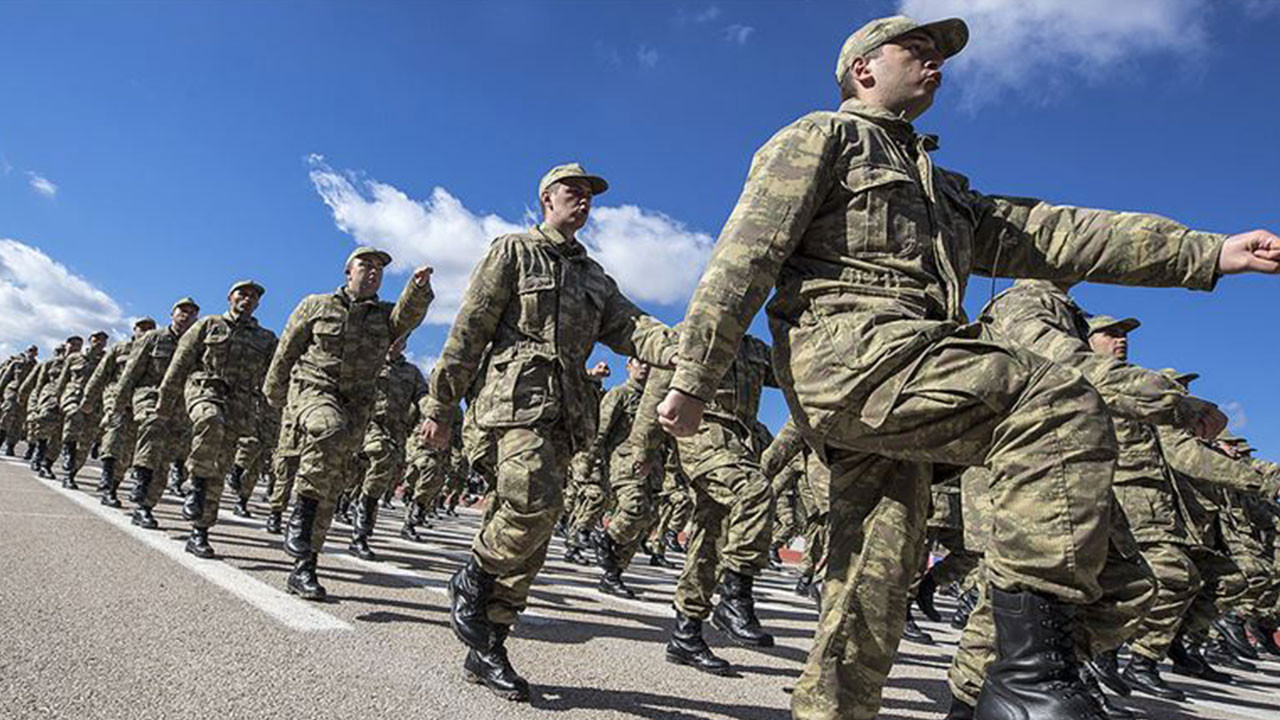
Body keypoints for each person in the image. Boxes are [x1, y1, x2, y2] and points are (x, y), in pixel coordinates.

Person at [651, 14, 1280, 720]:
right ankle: (1024, 681)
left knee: (876, 590)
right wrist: (693, 377)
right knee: (1056, 399)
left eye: (938, 57)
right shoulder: (823, 138)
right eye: (916, 51)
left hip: (913, 371)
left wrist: (1210, 252)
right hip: (853, 355)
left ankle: (919, 703)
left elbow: (1056, 231)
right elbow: (744, 256)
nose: (936, 66)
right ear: (863, 69)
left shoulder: (945, 191)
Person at [419, 163, 675, 701]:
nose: (583, 202)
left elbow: (632, 326)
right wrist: (440, 405)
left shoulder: (595, 278)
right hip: (512, 404)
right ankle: (473, 574)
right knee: (535, 497)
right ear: (546, 199)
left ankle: (488, 644)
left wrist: (678, 345)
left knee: (534, 533)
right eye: (572, 193)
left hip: (565, 414)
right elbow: (470, 329)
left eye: (589, 196)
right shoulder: (512, 252)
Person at [263, 247, 432, 599]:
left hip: (356, 405)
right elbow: (287, 350)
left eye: (379, 269)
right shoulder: (316, 305)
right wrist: (275, 395)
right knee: (329, 429)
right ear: (347, 270)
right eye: (365, 265)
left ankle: (305, 566)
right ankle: (298, 512)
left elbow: (408, 317)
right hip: (314, 387)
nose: (372, 272)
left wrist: (416, 287)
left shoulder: (385, 316)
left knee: (333, 482)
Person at [158, 281, 278, 558]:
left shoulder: (266, 338)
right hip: (205, 388)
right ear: (230, 297)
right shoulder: (209, 324)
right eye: (242, 294)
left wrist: (270, 417)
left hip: (240, 405)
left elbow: (274, 377)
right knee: (210, 420)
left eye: (253, 296)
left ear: (258, 304)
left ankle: (199, 531)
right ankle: (195, 486)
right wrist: (165, 403)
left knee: (220, 466)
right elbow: (181, 362)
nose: (247, 299)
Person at [118, 298, 201, 529]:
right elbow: (131, 371)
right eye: (182, 311)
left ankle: (145, 506)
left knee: (166, 454)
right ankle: (141, 480)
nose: (187, 315)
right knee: (153, 425)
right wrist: (118, 404)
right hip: (150, 394)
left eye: (192, 312)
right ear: (172, 313)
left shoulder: (197, 344)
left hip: (179, 402)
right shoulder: (153, 338)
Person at [83, 318, 157, 506]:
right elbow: (100, 374)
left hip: (140, 397)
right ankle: (106, 475)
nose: (145, 331)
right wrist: (88, 399)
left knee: (128, 448)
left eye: (150, 328)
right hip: (115, 393)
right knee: (115, 426)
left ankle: (112, 488)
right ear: (134, 329)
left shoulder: (155, 349)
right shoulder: (120, 349)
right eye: (142, 328)